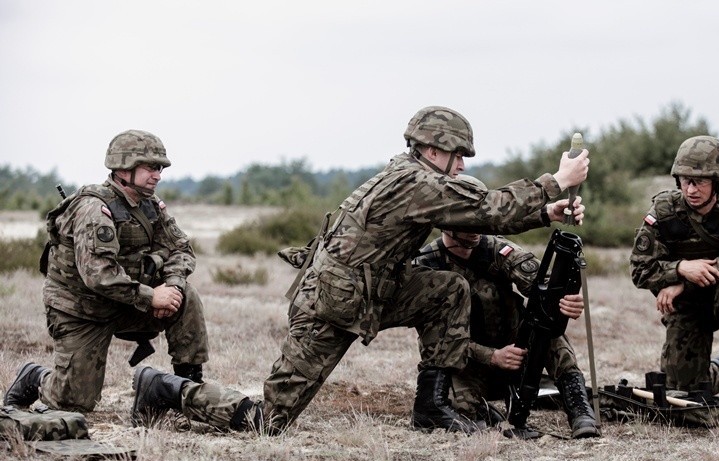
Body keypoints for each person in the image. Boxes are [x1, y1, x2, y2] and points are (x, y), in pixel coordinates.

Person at [130, 105, 590, 435]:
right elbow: (487, 209)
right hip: (332, 305)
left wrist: (547, 213)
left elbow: (473, 216)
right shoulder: (415, 182)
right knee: (268, 422)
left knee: (447, 290)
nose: (463, 165)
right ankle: (163, 389)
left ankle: (431, 408)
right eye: (460, 156)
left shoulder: (414, 177)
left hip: (371, 293)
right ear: (435, 150)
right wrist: (555, 183)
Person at [3, 130, 208, 413]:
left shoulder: (150, 206)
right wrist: (151, 297)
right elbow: (99, 275)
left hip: (125, 303)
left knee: (185, 296)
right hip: (81, 311)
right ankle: (35, 377)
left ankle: (187, 391)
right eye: (150, 167)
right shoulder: (93, 209)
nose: (157, 175)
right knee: (74, 402)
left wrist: (170, 286)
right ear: (124, 167)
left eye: (159, 168)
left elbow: (181, 249)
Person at [414, 209, 600, 439]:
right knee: (457, 411)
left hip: (516, 350)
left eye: (480, 223)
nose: (476, 232)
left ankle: (579, 408)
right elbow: (435, 343)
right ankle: (486, 410)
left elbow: (539, 285)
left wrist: (564, 301)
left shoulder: (496, 249)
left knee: (546, 324)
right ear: (445, 225)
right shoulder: (426, 264)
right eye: (468, 225)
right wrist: (492, 356)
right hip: (467, 362)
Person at [630, 135, 719, 405]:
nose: (691, 189)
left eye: (700, 181)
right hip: (688, 306)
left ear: (717, 182)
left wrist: (684, 281)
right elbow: (639, 270)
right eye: (685, 181)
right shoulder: (664, 209)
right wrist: (681, 268)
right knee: (685, 390)